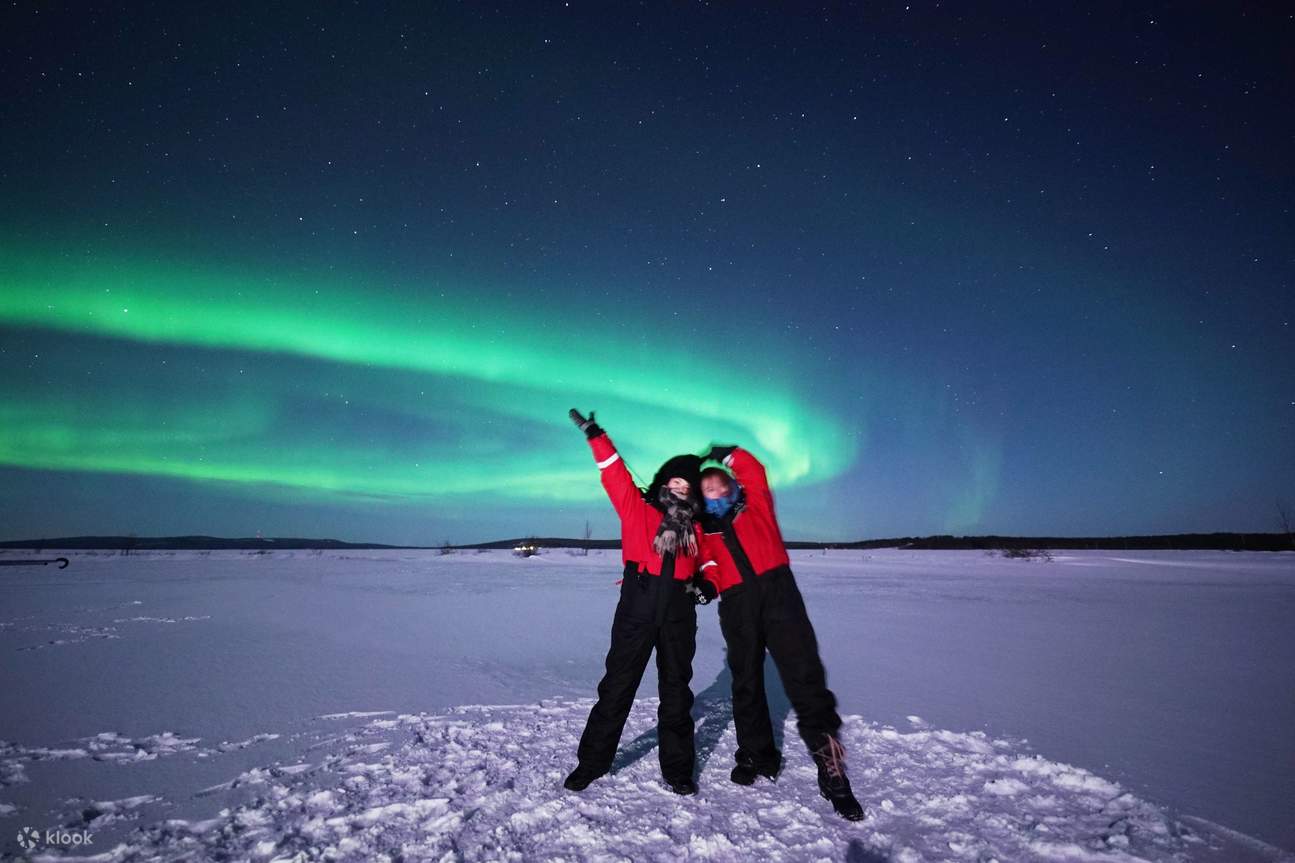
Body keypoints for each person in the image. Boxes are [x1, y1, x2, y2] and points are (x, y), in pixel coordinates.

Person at [696, 444, 865, 821]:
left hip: (780, 594)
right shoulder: (703, 529)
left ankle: (831, 769)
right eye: (707, 487)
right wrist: (707, 585)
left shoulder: (756, 507)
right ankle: (757, 755)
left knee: (806, 678)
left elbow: (753, 472)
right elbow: (708, 566)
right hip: (737, 605)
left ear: (731, 486)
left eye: (721, 484)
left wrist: (727, 453)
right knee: (746, 682)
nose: (716, 491)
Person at [562, 409, 717, 795]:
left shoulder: (698, 529)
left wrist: (709, 583)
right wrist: (597, 435)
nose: (681, 488)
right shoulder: (638, 510)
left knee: (676, 694)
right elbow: (614, 472)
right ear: (665, 482)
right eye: (676, 481)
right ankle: (592, 764)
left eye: (687, 485)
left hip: (679, 615)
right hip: (637, 607)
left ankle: (678, 770)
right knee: (617, 688)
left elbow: (713, 562)